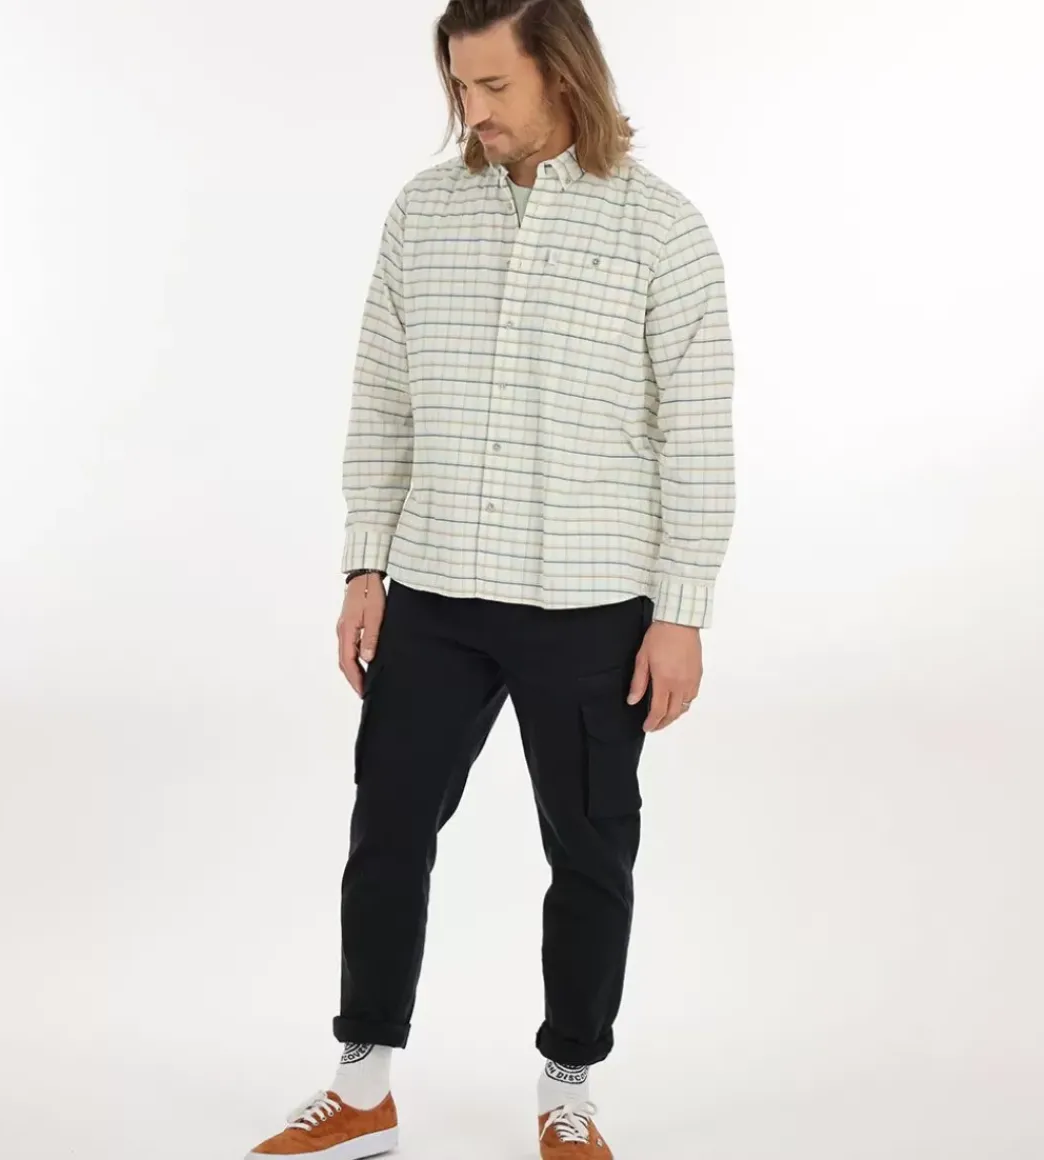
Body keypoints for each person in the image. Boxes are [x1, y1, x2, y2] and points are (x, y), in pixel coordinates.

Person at [245, 0, 735, 1156]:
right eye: (459, 87)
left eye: (493, 86)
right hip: (433, 591)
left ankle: (568, 1089)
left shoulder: (662, 229)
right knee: (387, 829)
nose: (472, 111)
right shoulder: (422, 212)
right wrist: (365, 561)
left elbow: (696, 434)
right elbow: (382, 395)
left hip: (590, 601)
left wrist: (681, 612)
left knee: (589, 848)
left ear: (562, 73)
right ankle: (362, 1087)